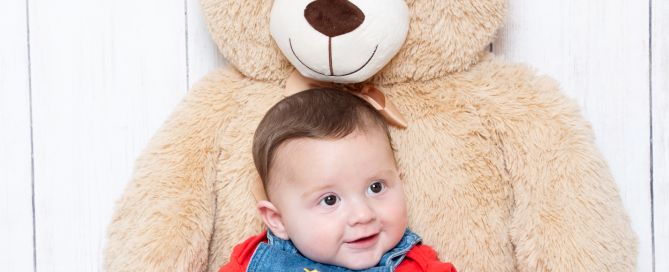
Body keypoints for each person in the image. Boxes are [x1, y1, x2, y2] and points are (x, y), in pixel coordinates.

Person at [220, 88, 457, 272]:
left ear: (399, 181)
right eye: (330, 200)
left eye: (376, 187)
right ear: (278, 220)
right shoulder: (252, 261)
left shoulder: (419, 266)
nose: (363, 215)